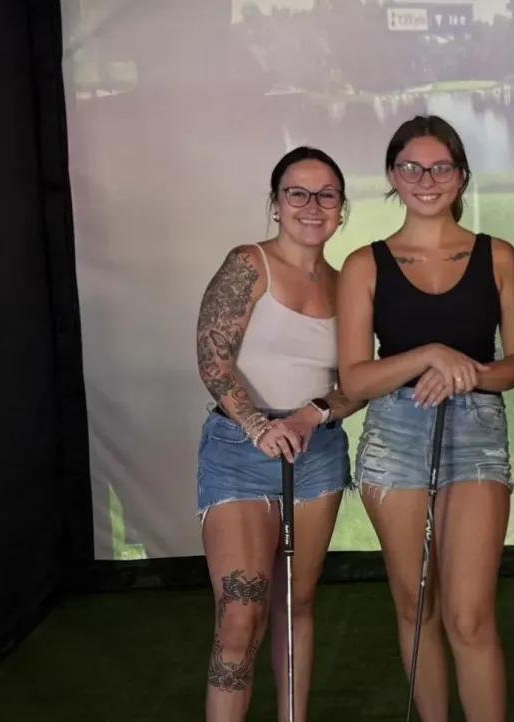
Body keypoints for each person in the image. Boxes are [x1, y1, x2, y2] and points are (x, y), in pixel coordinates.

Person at [336, 115, 514, 722]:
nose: (426, 179)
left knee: (470, 615)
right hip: (393, 435)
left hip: (476, 433)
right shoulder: (366, 264)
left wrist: (466, 370)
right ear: (393, 176)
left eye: (440, 167)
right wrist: (427, 356)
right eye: (411, 167)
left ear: (461, 175)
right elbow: (355, 379)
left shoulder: (498, 256)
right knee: (418, 607)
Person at [194, 146, 365, 722]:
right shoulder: (250, 263)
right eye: (298, 193)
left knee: (298, 603)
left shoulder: (348, 285)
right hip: (239, 452)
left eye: (327, 195)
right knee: (242, 612)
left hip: (316, 456)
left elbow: (355, 385)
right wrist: (259, 425)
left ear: (342, 208)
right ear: (275, 203)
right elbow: (212, 356)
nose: (312, 206)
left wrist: (311, 413)